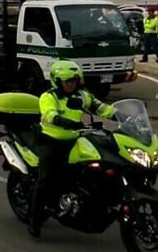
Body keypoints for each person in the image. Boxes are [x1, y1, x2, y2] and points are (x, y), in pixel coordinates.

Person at [28, 60, 116, 238]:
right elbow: (49, 114)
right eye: (67, 81)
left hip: (76, 139)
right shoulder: (49, 97)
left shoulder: (82, 95)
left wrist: (119, 114)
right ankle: (34, 219)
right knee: (46, 179)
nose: (70, 84)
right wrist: (65, 122)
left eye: (73, 81)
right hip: (51, 142)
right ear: (57, 81)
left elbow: (99, 107)